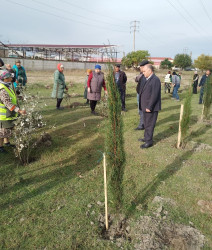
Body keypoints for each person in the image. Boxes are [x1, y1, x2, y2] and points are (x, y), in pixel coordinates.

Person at [0, 70, 26, 153]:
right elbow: (7, 103)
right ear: (5, 78)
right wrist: (19, 110)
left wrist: (19, 97)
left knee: (6, 130)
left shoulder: (7, 86)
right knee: (2, 132)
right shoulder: (2, 89)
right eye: (10, 77)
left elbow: (11, 97)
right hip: (3, 115)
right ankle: (0, 148)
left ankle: (6, 143)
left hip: (8, 114)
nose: (12, 78)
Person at [139, 64, 161, 149]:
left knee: (150, 124)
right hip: (145, 106)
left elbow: (154, 95)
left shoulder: (155, 80)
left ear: (149, 70)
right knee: (146, 123)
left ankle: (149, 141)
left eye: (144, 71)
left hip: (150, 107)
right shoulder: (147, 79)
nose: (143, 73)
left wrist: (149, 106)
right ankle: (146, 137)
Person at [135, 60, 149, 130]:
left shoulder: (146, 76)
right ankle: (142, 124)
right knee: (141, 110)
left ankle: (142, 125)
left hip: (143, 96)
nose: (140, 68)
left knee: (143, 111)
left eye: (141, 67)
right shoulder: (142, 74)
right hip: (140, 94)